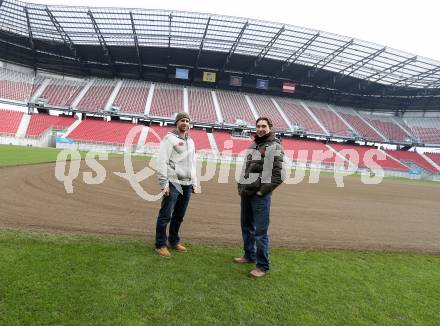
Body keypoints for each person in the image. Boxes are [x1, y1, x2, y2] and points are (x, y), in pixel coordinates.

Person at [235, 117, 284, 277]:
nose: (261, 128)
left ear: (270, 127)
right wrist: (240, 186)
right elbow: (246, 169)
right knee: (246, 227)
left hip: (259, 196)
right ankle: (249, 255)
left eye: (264, 126)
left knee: (260, 233)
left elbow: (278, 175)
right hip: (246, 194)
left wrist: (261, 192)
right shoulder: (254, 145)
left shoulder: (274, 146)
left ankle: (262, 266)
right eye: (258, 126)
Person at [154, 112, 199, 257]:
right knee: (165, 215)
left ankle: (173, 241)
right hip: (173, 183)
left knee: (179, 215)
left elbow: (193, 163)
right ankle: (160, 244)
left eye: (187, 121)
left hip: (187, 184)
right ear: (177, 123)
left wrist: (195, 182)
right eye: (182, 120)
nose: (185, 123)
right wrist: (164, 183)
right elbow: (162, 161)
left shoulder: (191, 141)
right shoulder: (169, 139)